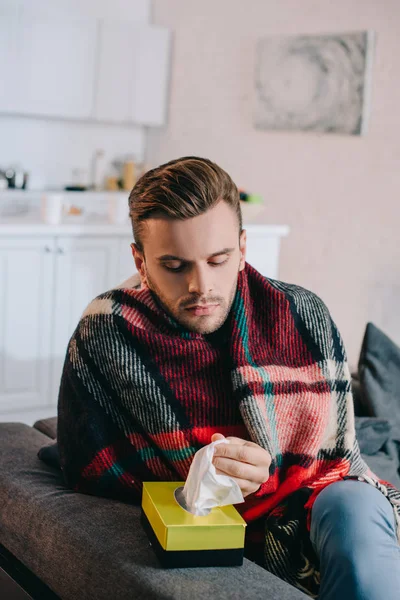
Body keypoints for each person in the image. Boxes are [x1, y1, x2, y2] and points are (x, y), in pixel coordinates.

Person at [57, 156, 400, 599]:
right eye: (175, 266)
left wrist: (270, 472)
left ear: (242, 248)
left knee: (358, 519)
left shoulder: (302, 314)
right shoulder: (108, 330)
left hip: (311, 502)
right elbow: (88, 466)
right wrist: (209, 483)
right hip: (196, 515)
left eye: (218, 260)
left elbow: (336, 459)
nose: (202, 286)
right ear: (140, 262)